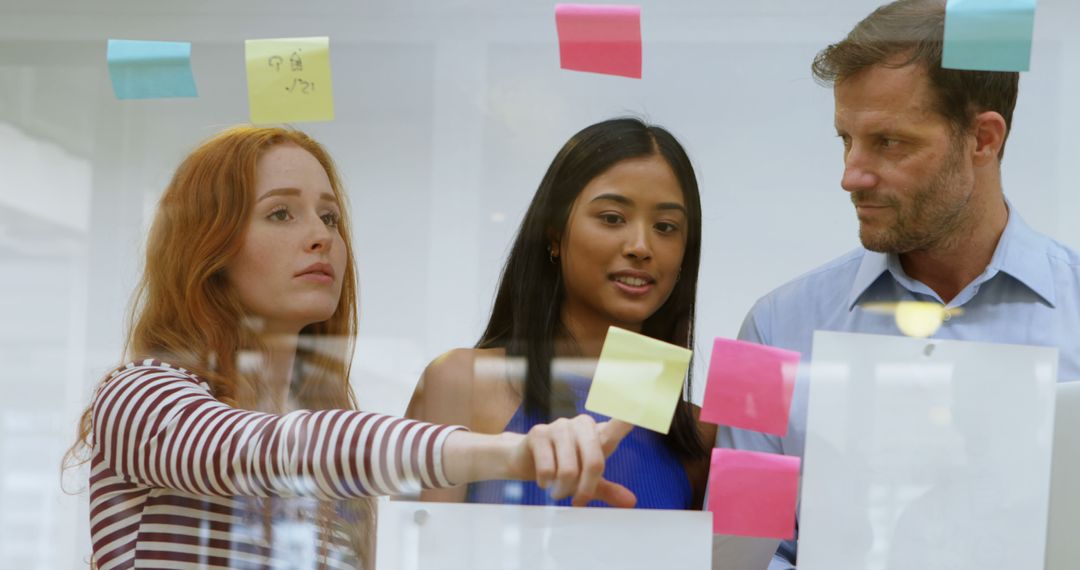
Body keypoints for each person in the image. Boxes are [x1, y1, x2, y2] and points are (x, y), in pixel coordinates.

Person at [65, 126, 636, 570]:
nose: (322, 236)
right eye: (280, 213)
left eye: (330, 216)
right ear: (207, 250)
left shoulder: (330, 426)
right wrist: (510, 453)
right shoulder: (139, 394)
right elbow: (266, 451)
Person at [718, 1, 1080, 568]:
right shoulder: (768, 330)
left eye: (889, 142)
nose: (850, 176)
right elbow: (740, 556)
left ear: (983, 139)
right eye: (845, 138)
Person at [406, 117, 715, 509]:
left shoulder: (698, 436)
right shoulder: (460, 382)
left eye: (666, 226)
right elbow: (415, 552)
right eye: (612, 218)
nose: (641, 245)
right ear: (554, 233)